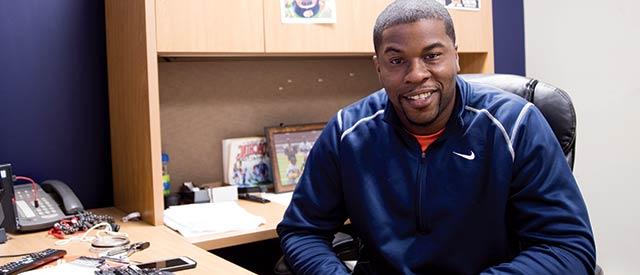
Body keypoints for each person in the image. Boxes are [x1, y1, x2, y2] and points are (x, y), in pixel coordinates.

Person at [277, 0, 596, 274]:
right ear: (378, 67)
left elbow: (568, 246)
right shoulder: (348, 133)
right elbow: (302, 230)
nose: (416, 75)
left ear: (455, 56)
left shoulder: (517, 125)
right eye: (397, 60)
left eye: (432, 56)